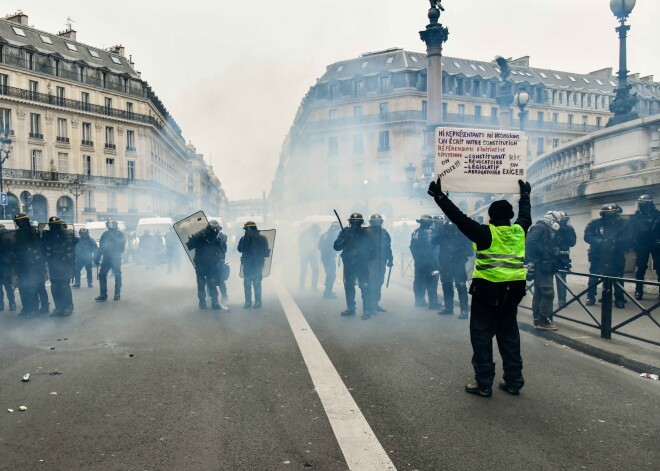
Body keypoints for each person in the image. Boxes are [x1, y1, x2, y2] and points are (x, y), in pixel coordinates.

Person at [428, 178, 532, 398]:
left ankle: (484, 383)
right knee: (509, 336)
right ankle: (514, 381)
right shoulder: (519, 231)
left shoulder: (484, 233)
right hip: (513, 291)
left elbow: (458, 218)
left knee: (481, 336)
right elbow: (526, 217)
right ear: (510, 217)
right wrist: (525, 196)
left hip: (487, 291)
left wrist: (439, 197)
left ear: (491, 217)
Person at [584, 204, 629, 309]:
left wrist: (616, 242)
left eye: (612, 215)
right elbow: (587, 236)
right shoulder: (595, 223)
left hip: (616, 254)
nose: (610, 217)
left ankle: (619, 298)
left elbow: (628, 238)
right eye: (607, 215)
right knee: (594, 276)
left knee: (617, 276)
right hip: (598, 254)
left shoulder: (622, 224)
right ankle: (591, 297)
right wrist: (601, 242)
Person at [526, 211, 562, 331]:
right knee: (547, 293)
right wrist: (545, 254)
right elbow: (530, 242)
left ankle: (538, 319)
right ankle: (543, 320)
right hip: (542, 265)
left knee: (539, 293)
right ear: (553, 220)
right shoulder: (541, 227)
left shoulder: (541, 227)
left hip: (541, 264)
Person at [333, 213, 372, 319]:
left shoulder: (366, 233)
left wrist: (366, 256)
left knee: (364, 286)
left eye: (357, 223)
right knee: (349, 286)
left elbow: (372, 249)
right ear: (350, 222)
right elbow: (336, 246)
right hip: (349, 264)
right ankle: (351, 308)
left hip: (362, 264)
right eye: (353, 223)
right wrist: (343, 242)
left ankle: (366, 310)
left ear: (360, 223)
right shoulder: (345, 232)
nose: (355, 225)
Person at [42, 217, 78, 316]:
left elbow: (76, 246)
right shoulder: (47, 236)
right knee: (55, 287)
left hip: (65, 264)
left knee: (64, 286)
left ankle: (68, 306)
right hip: (53, 265)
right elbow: (43, 248)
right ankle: (59, 307)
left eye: (56, 225)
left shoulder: (68, 234)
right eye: (52, 225)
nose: (54, 227)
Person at [436, 220, 472, 319]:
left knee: (461, 286)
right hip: (445, 263)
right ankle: (448, 307)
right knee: (446, 284)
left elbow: (470, 251)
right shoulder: (443, 232)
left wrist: (456, 252)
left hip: (458, 263)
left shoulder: (463, 233)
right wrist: (439, 232)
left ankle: (464, 310)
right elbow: (433, 242)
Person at [626, 195, 660, 300]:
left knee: (659, 267)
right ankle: (638, 290)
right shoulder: (637, 217)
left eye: (643, 204)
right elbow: (631, 232)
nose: (641, 206)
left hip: (656, 244)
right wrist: (635, 243)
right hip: (642, 245)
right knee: (640, 268)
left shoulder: (657, 215)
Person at [186, 220, 223, 310]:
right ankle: (213, 302)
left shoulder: (199, 235)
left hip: (203, 264)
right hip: (206, 264)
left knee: (202, 283)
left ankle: (204, 302)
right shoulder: (213, 236)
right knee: (210, 282)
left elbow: (190, 245)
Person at [237, 221, 270, 309]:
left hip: (257, 264)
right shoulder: (243, 239)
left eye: (247, 230)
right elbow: (239, 249)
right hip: (248, 264)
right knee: (248, 283)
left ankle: (257, 301)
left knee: (256, 282)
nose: (246, 232)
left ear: (250, 229)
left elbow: (266, 252)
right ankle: (248, 302)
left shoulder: (262, 238)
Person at [410, 214, 441, 309]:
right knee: (432, 281)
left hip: (419, 263)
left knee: (419, 281)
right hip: (432, 263)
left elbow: (412, 248)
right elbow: (437, 249)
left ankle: (419, 301)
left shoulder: (415, 232)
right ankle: (433, 302)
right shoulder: (434, 232)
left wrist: (417, 259)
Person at [94, 219, 126, 302]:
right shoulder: (119, 234)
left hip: (109, 257)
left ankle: (105, 294)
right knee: (115, 275)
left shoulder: (107, 234)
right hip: (112, 257)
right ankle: (115, 294)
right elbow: (122, 246)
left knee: (104, 275)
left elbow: (101, 247)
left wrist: (97, 257)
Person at [367, 214, 393, 313]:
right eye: (375, 222)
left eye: (378, 222)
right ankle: (370, 306)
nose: (377, 224)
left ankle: (375, 304)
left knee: (379, 283)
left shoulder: (384, 233)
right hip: (371, 262)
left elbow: (388, 247)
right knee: (372, 283)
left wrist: (390, 259)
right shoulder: (366, 233)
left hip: (381, 262)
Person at [553, 211, 577, 307]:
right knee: (547, 279)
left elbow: (572, 242)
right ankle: (547, 298)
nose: (563, 223)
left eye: (565, 221)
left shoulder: (569, 229)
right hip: (551, 256)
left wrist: (566, 232)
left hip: (563, 257)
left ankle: (562, 300)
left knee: (561, 279)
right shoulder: (552, 228)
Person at [318, 222, 341, 299]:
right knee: (331, 275)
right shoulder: (334, 234)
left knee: (329, 274)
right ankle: (327, 292)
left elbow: (319, 246)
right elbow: (335, 245)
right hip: (330, 257)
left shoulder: (324, 234)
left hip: (325, 257)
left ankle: (328, 290)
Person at [298, 224, 320, 292]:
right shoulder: (305, 234)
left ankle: (312, 287)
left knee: (314, 270)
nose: (318, 232)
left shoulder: (315, 234)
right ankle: (303, 287)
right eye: (317, 231)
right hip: (306, 254)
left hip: (311, 254)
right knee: (304, 270)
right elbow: (300, 243)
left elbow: (317, 244)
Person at [0, 224, 17, 312]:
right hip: (6, 266)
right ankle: (11, 303)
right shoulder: (9, 239)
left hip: (5, 266)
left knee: (7, 286)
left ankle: (6, 304)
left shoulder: (8, 240)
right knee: (8, 286)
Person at [213, 222, 229, 303]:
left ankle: (224, 296)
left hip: (219, 261)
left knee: (220, 279)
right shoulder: (207, 237)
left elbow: (224, 250)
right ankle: (211, 297)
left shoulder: (222, 237)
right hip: (210, 262)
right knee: (210, 279)